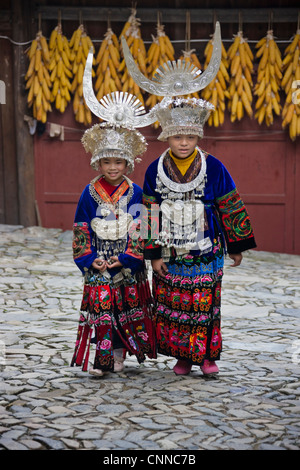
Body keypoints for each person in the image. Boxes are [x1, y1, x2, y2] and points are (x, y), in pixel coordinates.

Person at [142, 96, 257, 376]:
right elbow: (149, 213)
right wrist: (153, 255)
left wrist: (236, 245)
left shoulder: (214, 166)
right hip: (170, 249)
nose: (184, 143)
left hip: (207, 248)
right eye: (177, 136)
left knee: (205, 303)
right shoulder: (154, 170)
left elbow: (229, 202)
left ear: (198, 137)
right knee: (174, 301)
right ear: (166, 137)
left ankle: (205, 356)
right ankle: (183, 356)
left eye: (190, 137)